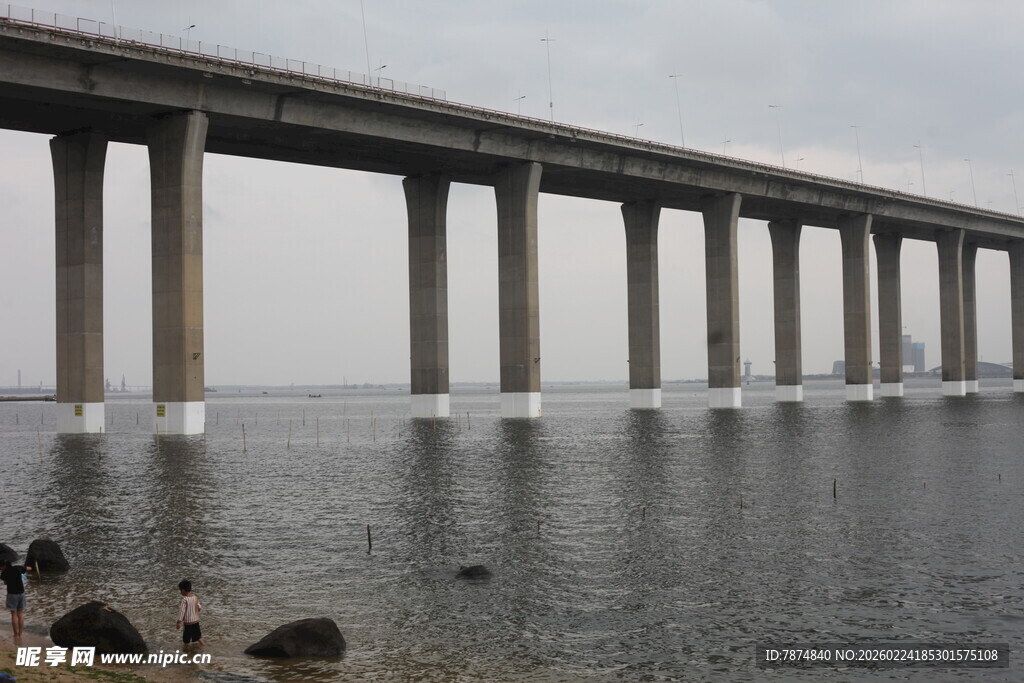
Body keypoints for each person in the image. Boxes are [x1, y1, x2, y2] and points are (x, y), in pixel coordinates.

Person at [0, 558, 34, 638]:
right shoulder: (18, 568)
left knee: (14, 615)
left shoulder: (4, 573)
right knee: (20, 614)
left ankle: (15, 635)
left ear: (3, 566)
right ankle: (20, 634)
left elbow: (5, 582)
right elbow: (29, 568)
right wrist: (26, 569)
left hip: (12, 594)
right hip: (21, 593)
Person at [175, 579, 205, 647]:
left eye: (180, 590)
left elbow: (182, 612)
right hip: (196, 622)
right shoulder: (195, 598)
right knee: (198, 637)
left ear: (182, 590)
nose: (180, 592)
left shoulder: (184, 600)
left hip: (188, 624)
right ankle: (204, 647)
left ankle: (187, 653)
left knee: (186, 640)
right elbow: (199, 608)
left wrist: (178, 622)